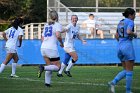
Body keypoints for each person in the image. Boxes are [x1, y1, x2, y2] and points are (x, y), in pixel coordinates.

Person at [108, 8, 137, 93]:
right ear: (130, 15)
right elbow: (128, 32)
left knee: (126, 70)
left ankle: (113, 83)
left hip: (119, 46)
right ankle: (128, 91)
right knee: (129, 70)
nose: (135, 16)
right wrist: (135, 34)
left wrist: (122, 42)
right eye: (134, 14)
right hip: (127, 46)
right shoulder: (130, 22)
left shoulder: (120, 22)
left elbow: (116, 35)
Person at [37, 10, 63, 87]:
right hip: (52, 48)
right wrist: (62, 43)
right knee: (58, 67)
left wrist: (44, 46)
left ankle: (47, 84)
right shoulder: (57, 24)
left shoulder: (46, 25)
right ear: (57, 16)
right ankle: (42, 68)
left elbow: (42, 38)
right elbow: (58, 35)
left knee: (50, 66)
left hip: (43, 47)